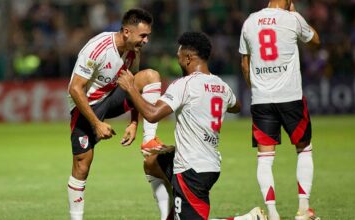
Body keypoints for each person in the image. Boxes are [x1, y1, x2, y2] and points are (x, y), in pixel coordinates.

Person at [118, 31, 265, 220]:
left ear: (188, 58)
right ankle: (168, 215)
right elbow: (236, 106)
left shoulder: (185, 85)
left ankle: (247, 219)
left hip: (191, 171)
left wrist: (131, 88)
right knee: (151, 162)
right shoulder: (221, 85)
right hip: (209, 163)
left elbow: (153, 115)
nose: (178, 60)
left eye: (179, 56)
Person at [66, 8, 171, 220]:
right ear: (126, 32)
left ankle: (149, 140)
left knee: (150, 76)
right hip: (87, 104)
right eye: (143, 35)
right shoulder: (98, 49)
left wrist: (134, 122)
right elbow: (75, 89)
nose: (146, 40)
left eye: (148, 36)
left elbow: (134, 89)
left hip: (112, 97)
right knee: (82, 164)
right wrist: (96, 124)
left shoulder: (134, 51)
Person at [239, 1, 321, 220]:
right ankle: (304, 210)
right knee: (304, 149)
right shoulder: (293, 18)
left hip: (262, 100)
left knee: (264, 158)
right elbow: (315, 41)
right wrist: (296, 13)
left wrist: (257, 89)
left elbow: (245, 65)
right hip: (290, 97)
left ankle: (273, 214)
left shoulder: (250, 21)